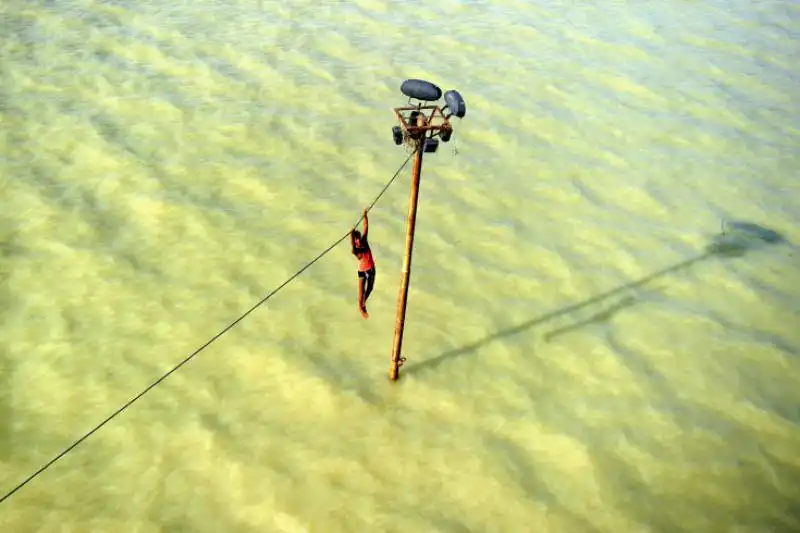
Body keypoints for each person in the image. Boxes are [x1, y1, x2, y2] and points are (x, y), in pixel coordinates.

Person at [351, 208, 376, 319]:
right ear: (354, 242)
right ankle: (361, 307)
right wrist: (351, 236)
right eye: (356, 240)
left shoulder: (364, 240)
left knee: (369, 289)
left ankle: (363, 303)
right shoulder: (355, 250)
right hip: (362, 271)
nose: (358, 240)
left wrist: (365, 215)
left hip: (370, 269)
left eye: (359, 238)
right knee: (361, 291)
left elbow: (366, 226)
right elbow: (357, 255)